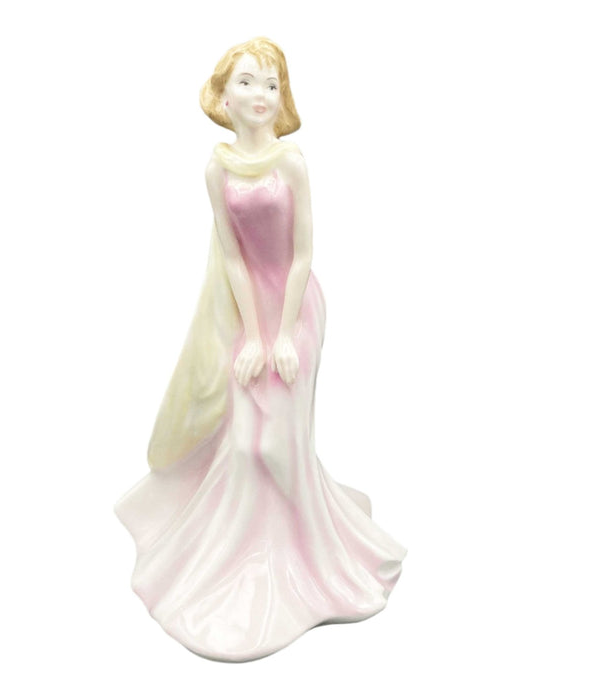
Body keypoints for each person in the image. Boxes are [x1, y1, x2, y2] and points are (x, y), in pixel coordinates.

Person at [115, 37, 406, 662]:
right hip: (247, 314)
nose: (261, 95)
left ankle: (310, 557)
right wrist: (251, 334)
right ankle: (244, 555)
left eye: (272, 84)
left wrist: (282, 335)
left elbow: (302, 254)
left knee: (280, 442)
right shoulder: (216, 169)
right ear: (223, 97)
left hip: (296, 309)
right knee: (247, 442)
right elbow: (231, 256)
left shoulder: (292, 162)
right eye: (247, 82)